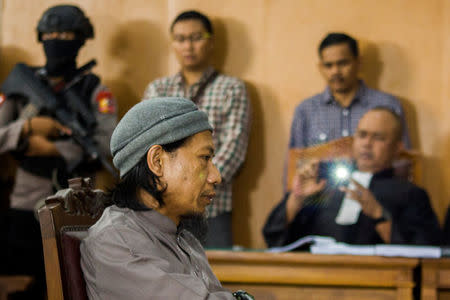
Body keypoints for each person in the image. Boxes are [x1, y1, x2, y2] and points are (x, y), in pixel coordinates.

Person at [81, 98, 253, 300]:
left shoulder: (183, 237)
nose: (216, 176)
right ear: (157, 162)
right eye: (205, 158)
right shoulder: (117, 242)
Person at [0, 5, 116, 299]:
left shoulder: (94, 89)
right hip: (26, 205)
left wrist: (53, 148)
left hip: (78, 207)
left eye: (66, 34)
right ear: (41, 38)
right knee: (23, 288)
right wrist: (26, 128)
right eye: (50, 34)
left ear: (81, 39)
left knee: (74, 288)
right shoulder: (21, 84)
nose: (57, 39)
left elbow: (106, 144)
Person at [142, 10, 250, 248]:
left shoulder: (230, 88)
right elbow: (147, 147)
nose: (188, 46)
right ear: (173, 44)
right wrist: (174, 192)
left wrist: (190, 185)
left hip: (213, 209)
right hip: (163, 211)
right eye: (180, 39)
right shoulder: (158, 90)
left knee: (217, 280)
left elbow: (233, 151)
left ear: (210, 42)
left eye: (196, 38)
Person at [264, 107, 441, 247]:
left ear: (397, 148)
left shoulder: (411, 194)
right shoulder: (323, 184)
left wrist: (379, 215)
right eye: (362, 135)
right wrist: (297, 199)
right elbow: (273, 237)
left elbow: (424, 253)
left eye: (378, 138)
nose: (366, 144)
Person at [289, 33, 410, 149]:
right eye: (328, 65)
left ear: (358, 62)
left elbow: (405, 161)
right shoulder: (306, 111)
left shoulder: (388, 105)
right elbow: (294, 165)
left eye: (343, 63)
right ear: (320, 67)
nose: (335, 71)